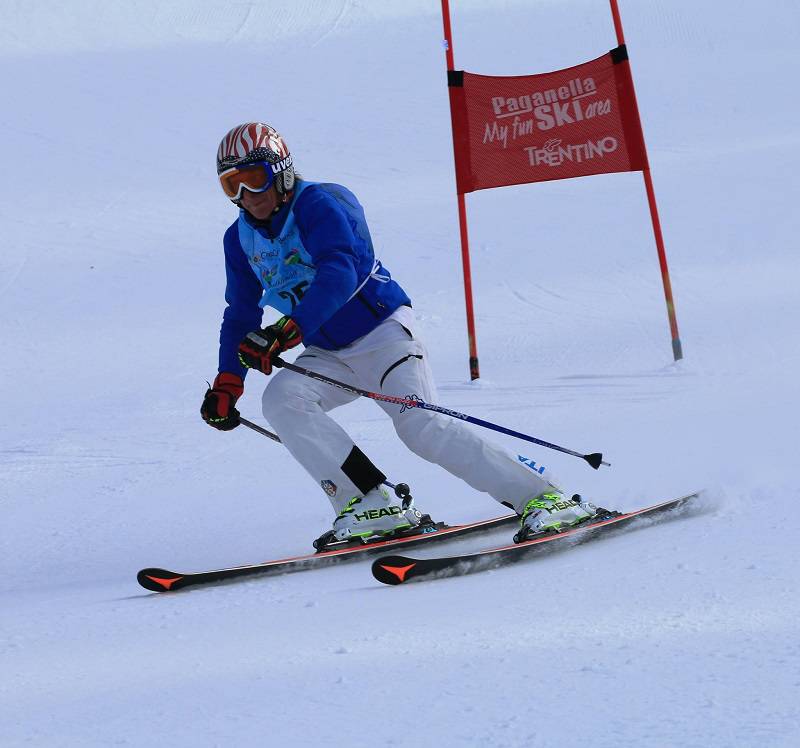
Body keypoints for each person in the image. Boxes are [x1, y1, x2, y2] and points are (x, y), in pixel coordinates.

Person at [200, 122, 600, 545]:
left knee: (421, 426)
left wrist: (286, 330)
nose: (247, 196)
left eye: (254, 179)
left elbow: (340, 269)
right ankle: (372, 503)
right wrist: (228, 384)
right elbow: (240, 313)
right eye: (232, 185)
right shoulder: (239, 239)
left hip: (382, 334)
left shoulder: (322, 202)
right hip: (327, 351)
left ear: (280, 170)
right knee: (283, 400)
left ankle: (547, 498)